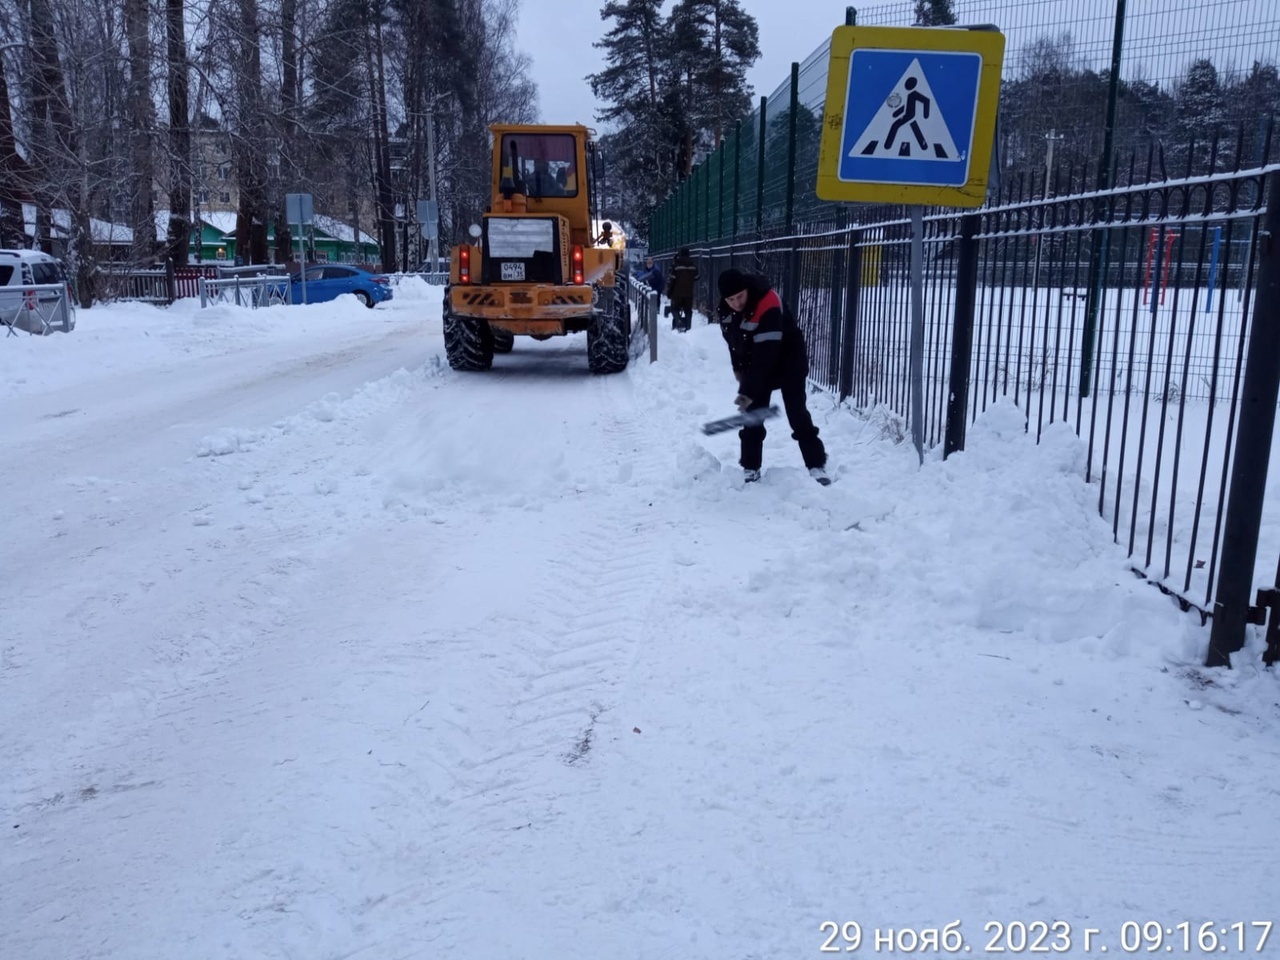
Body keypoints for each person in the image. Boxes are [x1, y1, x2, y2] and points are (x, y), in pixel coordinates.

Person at [716, 268, 829, 485]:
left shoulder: (768, 302)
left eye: (740, 296)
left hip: (789, 360)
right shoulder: (726, 311)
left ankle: (816, 463)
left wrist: (747, 391)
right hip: (757, 361)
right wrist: (742, 377)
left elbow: (765, 357)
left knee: (797, 413)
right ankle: (751, 467)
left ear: (747, 289)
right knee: (753, 415)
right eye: (731, 299)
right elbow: (735, 347)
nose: (736, 303)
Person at [665, 247, 697, 331]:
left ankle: (679, 321)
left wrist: (669, 291)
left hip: (677, 293)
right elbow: (697, 277)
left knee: (674, 308)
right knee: (688, 310)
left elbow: (672, 280)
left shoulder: (676, 265)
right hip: (689, 293)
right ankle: (688, 326)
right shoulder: (693, 265)